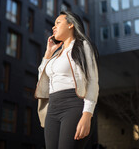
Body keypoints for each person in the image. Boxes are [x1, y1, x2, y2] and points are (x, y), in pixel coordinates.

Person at [34, 11, 99, 149]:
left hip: (74, 105)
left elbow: (92, 81)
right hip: (52, 108)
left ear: (70, 25)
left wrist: (87, 115)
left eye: (58, 23)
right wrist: (48, 53)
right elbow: (42, 80)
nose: (53, 27)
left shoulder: (82, 46)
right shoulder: (56, 54)